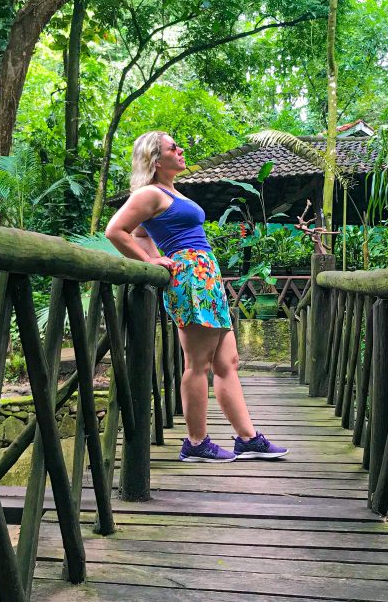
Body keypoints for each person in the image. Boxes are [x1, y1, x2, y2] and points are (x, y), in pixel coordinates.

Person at [105, 131, 288, 463]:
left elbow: (142, 233)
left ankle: (247, 439)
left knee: (227, 362)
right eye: (173, 147)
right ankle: (196, 442)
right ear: (155, 160)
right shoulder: (148, 193)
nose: (181, 149)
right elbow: (116, 230)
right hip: (190, 279)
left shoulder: (171, 193)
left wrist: (152, 252)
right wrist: (151, 262)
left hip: (207, 277)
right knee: (198, 364)